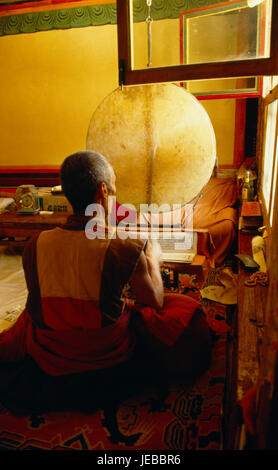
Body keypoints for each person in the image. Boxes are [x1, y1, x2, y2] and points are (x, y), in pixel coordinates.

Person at [0, 150, 212, 416]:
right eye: (114, 190)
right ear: (102, 191)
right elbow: (154, 300)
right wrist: (153, 258)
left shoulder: (34, 246)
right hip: (107, 362)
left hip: (50, 360)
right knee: (181, 306)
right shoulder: (124, 247)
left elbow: (40, 306)